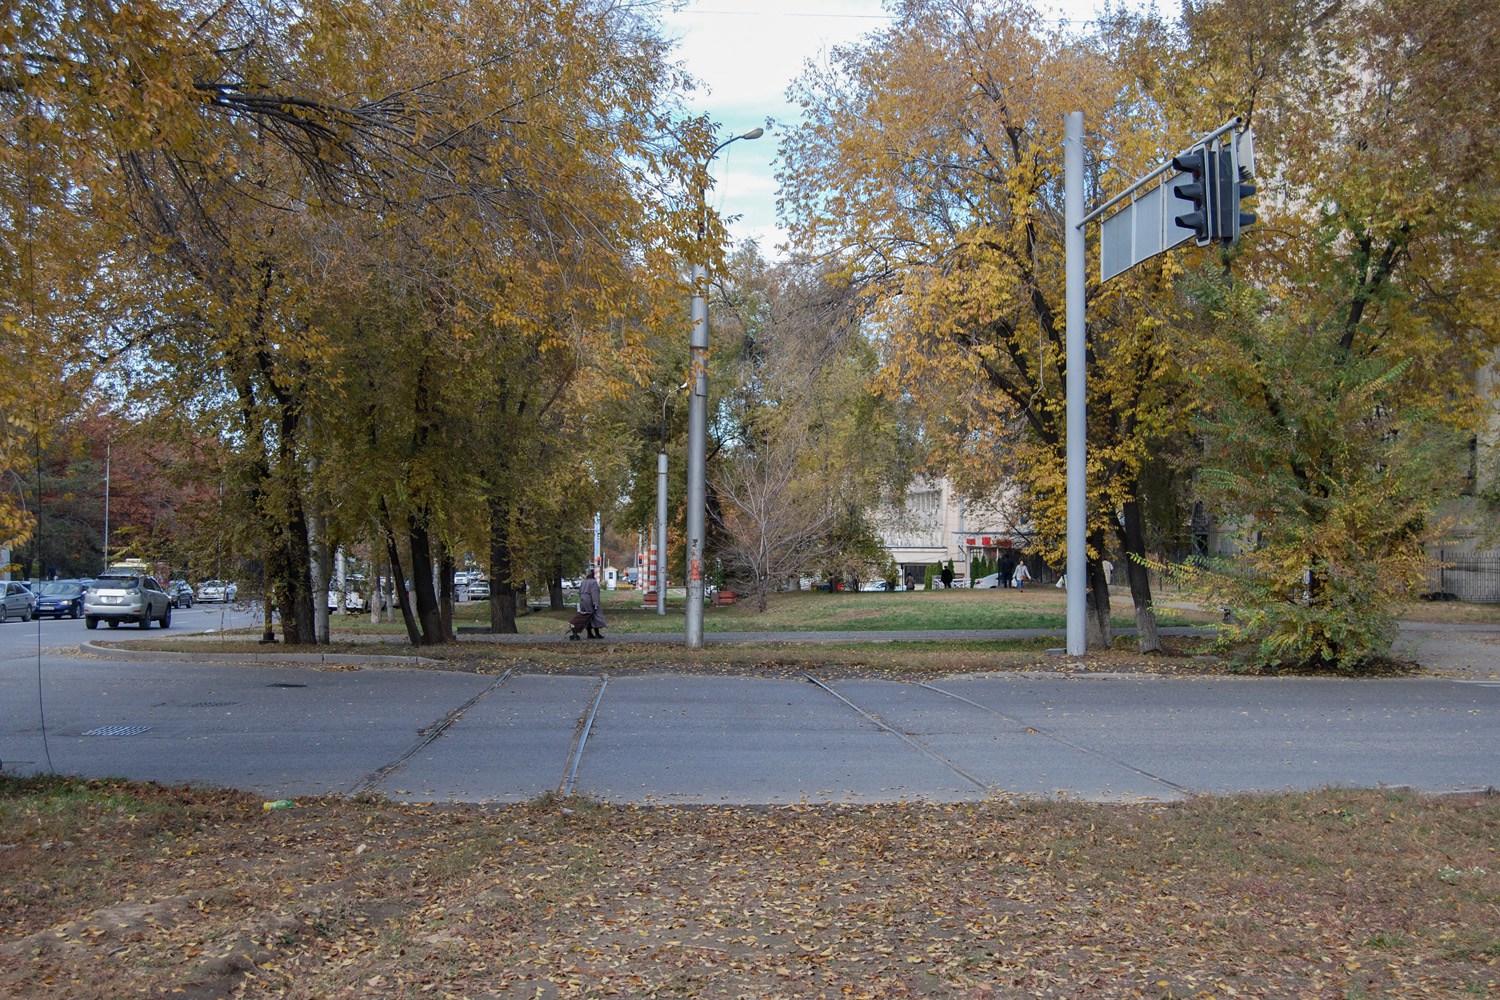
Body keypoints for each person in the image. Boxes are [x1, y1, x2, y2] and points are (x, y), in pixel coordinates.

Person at [579, 568, 605, 639]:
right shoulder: (593, 582)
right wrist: (595, 604)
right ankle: (597, 634)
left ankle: (589, 634)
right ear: (593, 574)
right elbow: (594, 593)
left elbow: (580, 592)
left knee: (586, 617)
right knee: (594, 616)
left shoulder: (583, 582)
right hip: (589, 600)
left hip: (582, 601)